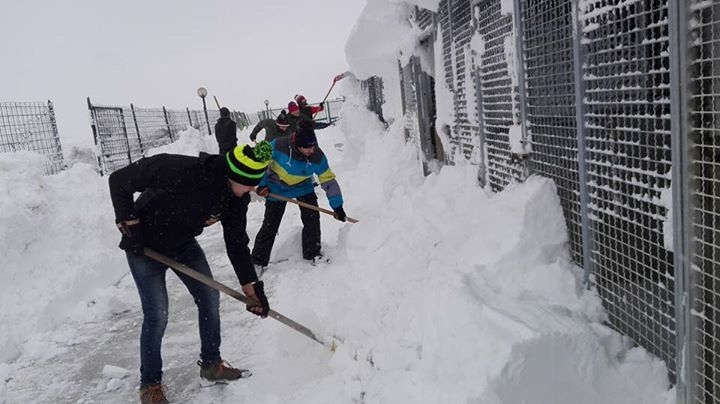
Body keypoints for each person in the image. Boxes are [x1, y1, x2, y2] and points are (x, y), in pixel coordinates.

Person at [108, 141, 274, 404]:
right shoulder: (180, 169)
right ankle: (150, 385)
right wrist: (130, 223)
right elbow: (119, 180)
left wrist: (252, 288)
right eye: (249, 183)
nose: (252, 190)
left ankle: (211, 365)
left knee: (209, 298)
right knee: (157, 314)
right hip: (144, 247)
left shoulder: (235, 199)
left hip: (183, 243)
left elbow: (237, 244)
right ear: (233, 175)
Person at [252, 126, 347, 270]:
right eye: (307, 148)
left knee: (312, 219)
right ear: (297, 145)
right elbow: (259, 163)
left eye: (313, 146)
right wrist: (262, 184)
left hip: (303, 187)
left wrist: (337, 206)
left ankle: (312, 252)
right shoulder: (278, 145)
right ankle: (258, 261)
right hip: (276, 187)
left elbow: (328, 180)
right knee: (270, 225)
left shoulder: (317, 156)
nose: (312, 150)